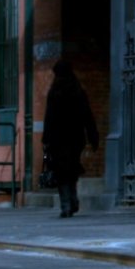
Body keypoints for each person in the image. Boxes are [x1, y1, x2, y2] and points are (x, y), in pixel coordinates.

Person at [42, 58, 99, 218]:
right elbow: (87, 115)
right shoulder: (77, 90)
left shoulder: (55, 92)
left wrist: (46, 139)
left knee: (61, 172)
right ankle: (72, 200)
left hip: (58, 139)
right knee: (72, 169)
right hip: (75, 137)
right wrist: (92, 135)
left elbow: (49, 117)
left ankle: (66, 204)